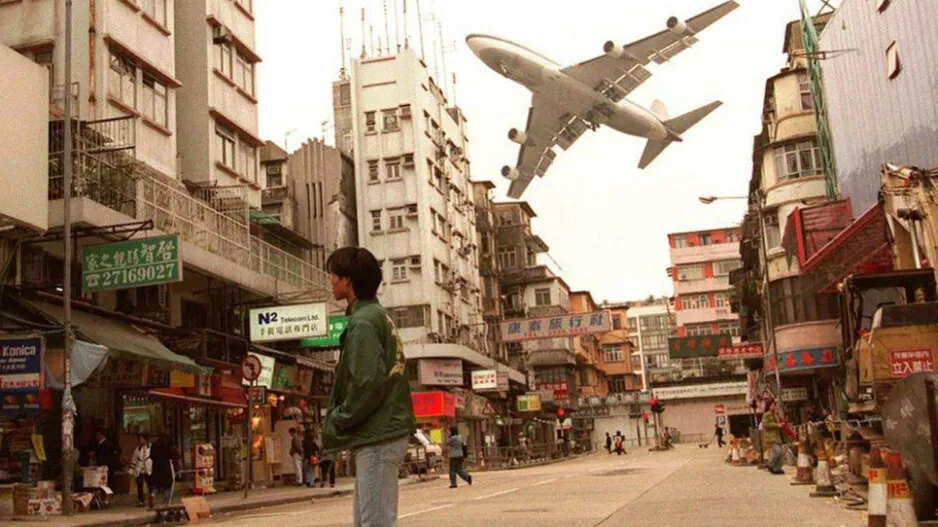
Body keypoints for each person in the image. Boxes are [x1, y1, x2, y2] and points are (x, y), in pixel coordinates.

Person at [321, 247, 417, 527]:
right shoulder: (375, 314)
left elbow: (367, 383)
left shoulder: (363, 322)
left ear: (347, 280)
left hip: (378, 435)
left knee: (375, 523)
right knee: (368, 521)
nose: (330, 280)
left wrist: (340, 417)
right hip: (379, 433)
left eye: (333, 274)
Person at [149, 432, 174, 507]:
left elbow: (151, 456)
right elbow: (170, 455)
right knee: (167, 486)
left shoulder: (154, 444)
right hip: (165, 468)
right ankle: (166, 503)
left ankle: (153, 495)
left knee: (156, 485)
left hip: (156, 468)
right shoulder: (167, 445)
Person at [130, 434, 152, 507]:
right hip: (139, 469)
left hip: (148, 468)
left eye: (142, 439)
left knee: (150, 485)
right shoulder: (138, 448)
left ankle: (151, 499)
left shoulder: (150, 447)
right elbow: (134, 459)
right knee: (139, 485)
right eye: (140, 439)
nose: (141, 440)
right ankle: (141, 501)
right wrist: (132, 469)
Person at [763, 400, 784, 475]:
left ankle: (777, 468)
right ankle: (770, 465)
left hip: (777, 437)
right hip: (770, 437)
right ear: (768, 405)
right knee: (777, 451)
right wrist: (777, 425)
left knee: (780, 453)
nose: (774, 406)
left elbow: (780, 422)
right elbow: (765, 425)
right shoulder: (766, 415)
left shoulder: (775, 414)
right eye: (772, 405)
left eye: (774, 405)